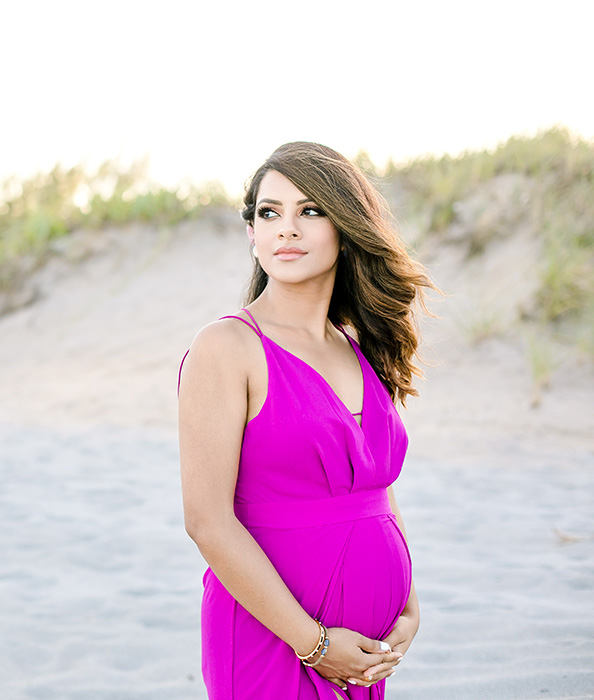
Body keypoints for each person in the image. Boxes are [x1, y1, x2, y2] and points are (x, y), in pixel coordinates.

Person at [177, 142, 433, 699]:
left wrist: (408, 604)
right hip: (276, 633)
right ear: (251, 232)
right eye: (269, 213)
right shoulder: (227, 347)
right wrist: (314, 644)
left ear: (345, 226)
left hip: (363, 648)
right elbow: (207, 521)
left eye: (310, 210)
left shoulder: (356, 346)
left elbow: (375, 489)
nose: (285, 229)